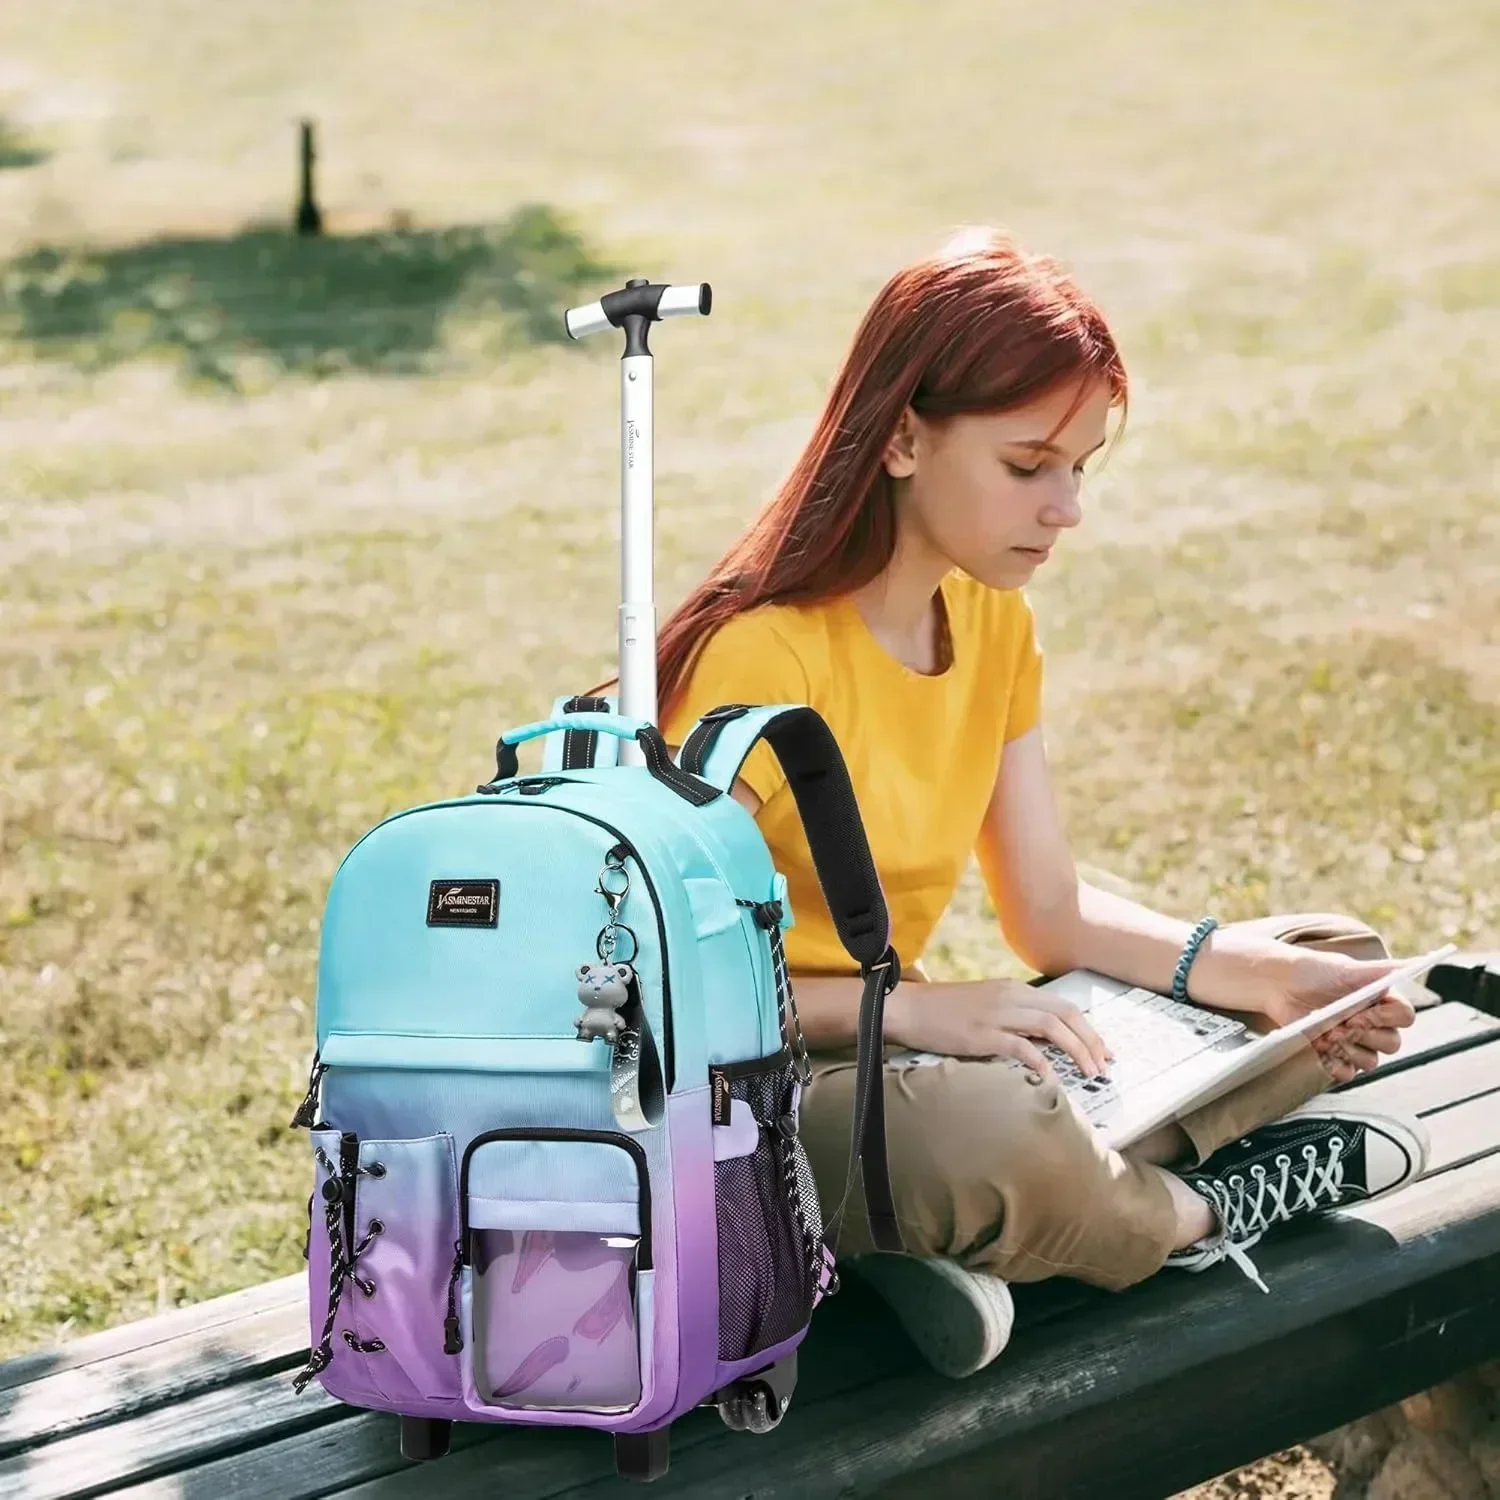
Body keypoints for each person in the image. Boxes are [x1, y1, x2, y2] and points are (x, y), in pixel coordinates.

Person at [646, 226, 1429, 1379]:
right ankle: (1194, 1216)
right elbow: (660, 988)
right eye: (1028, 467)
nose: (1066, 508)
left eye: (1080, 466)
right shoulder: (763, 659)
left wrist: (1254, 976)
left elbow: (1050, 914)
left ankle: (975, 1231)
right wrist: (913, 1015)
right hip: (756, 1101)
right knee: (986, 1131)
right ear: (904, 437)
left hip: (911, 1076)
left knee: (1330, 958)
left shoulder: (994, 625)